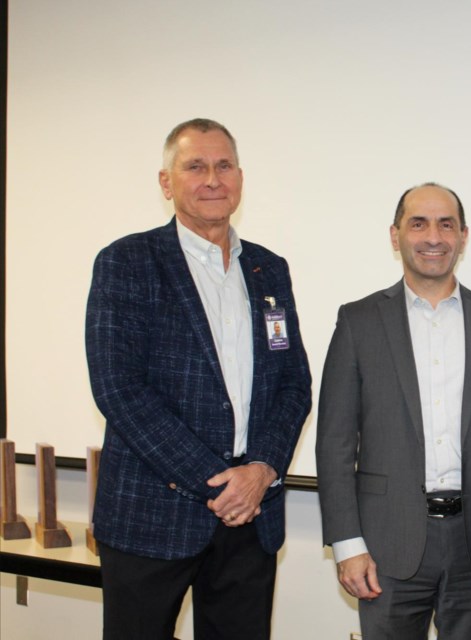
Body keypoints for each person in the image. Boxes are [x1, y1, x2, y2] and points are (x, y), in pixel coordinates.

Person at [85, 118, 312, 640]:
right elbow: (119, 388)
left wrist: (261, 470)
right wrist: (217, 482)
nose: (213, 178)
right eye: (196, 166)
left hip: (251, 517)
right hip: (152, 515)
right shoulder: (127, 262)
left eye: (224, 165)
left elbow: (294, 384)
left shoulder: (268, 269)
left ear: (240, 177)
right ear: (167, 182)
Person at [316, 183, 471, 640]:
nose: (433, 237)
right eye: (418, 223)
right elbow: (334, 442)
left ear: (463, 236)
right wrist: (348, 544)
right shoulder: (358, 321)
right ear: (395, 235)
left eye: (446, 224)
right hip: (387, 545)